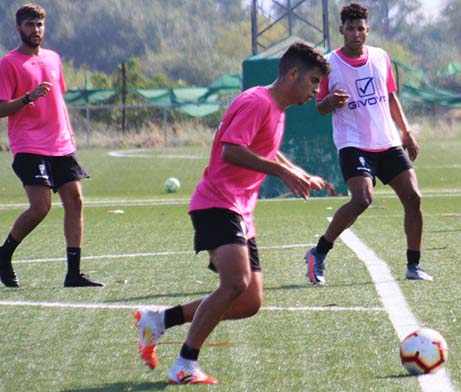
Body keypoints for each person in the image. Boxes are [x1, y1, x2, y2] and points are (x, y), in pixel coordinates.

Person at [133, 42, 330, 385]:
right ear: (293, 73)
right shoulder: (257, 102)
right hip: (217, 202)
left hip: (238, 209)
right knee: (235, 283)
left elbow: (265, 149)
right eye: (313, 81)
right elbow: (230, 152)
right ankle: (184, 364)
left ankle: (160, 320)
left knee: (249, 300)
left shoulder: (275, 108)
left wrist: (296, 171)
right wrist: (281, 173)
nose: (316, 90)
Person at [304, 2, 432, 285]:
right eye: (350, 29)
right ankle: (319, 252)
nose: (355, 34)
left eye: (360, 28)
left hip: (387, 142)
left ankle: (414, 265)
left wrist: (406, 132)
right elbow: (319, 107)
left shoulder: (381, 57)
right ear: (341, 30)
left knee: (414, 197)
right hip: (353, 143)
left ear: (367, 30)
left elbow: (391, 97)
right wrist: (328, 102)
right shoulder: (329, 64)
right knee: (362, 199)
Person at [0, 3, 102, 288]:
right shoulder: (9, 63)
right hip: (29, 145)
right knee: (40, 207)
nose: (36, 30)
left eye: (40, 25)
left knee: (76, 201)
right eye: (30, 25)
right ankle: (4, 254)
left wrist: (68, 135)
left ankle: (73, 274)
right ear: (18, 28)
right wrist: (27, 98)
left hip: (61, 144)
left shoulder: (54, 59)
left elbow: (58, 101)